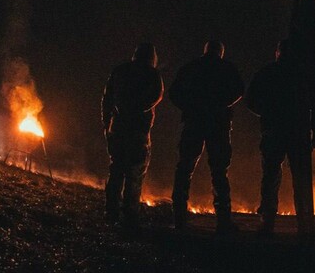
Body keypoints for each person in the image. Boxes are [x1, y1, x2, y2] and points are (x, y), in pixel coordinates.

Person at [245, 39, 315, 239]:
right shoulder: (305, 74)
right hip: (299, 132)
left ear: (277, 53)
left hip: (273, 131)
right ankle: (305, 225)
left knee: (271, 176)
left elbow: (250, 100)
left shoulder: (267, 72)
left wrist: (266, 114)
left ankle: (267, 222)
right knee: (301, 179)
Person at [169, 40, 245, 234]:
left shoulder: (191, 67)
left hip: (193, 122)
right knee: (219, 172)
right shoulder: (226, 68)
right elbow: (239, 90)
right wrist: (221, 104)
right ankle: (223, 220)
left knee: (184, 168)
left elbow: (173, 92)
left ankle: (178, 218)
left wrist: (189, 106)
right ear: (221, 52)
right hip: (218, 124)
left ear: (205, 51)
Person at [101, 42, 164, 230]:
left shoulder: (120, 70)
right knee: (134, 174)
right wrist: (137, 110)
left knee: (116, 170)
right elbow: (156, 96)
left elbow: (107, 98)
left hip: (118, 128)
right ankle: (130, 216)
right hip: (138, 131)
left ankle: (111, 212)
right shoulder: (152, 74)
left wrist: (107, 123)